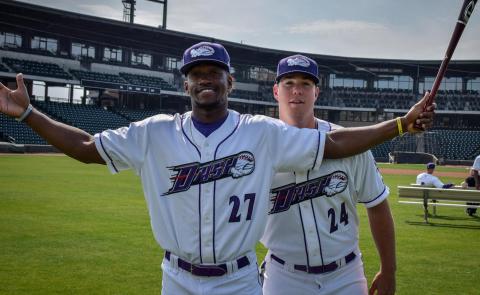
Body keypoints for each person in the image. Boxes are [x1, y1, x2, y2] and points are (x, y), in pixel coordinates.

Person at [0, 42, 435, 295]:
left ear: (230, 82)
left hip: (242, 279)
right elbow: (85, 145)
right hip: (178, 277)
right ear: (185, 83)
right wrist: (27, 115)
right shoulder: (155, 133)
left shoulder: (261, 133)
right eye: (196, 73)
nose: (205, 79)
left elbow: (334, 143)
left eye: (215, 72)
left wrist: (399, 124)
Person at [260, 54, 396, 295]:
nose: (297, 91)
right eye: (288, 83)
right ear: (275, 91)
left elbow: (377, 204)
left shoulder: (353, 144)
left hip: (345, 274)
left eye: (305, 84)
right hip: (283, 275)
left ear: (316, 92)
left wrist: (388, 269)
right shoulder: (258, 145)